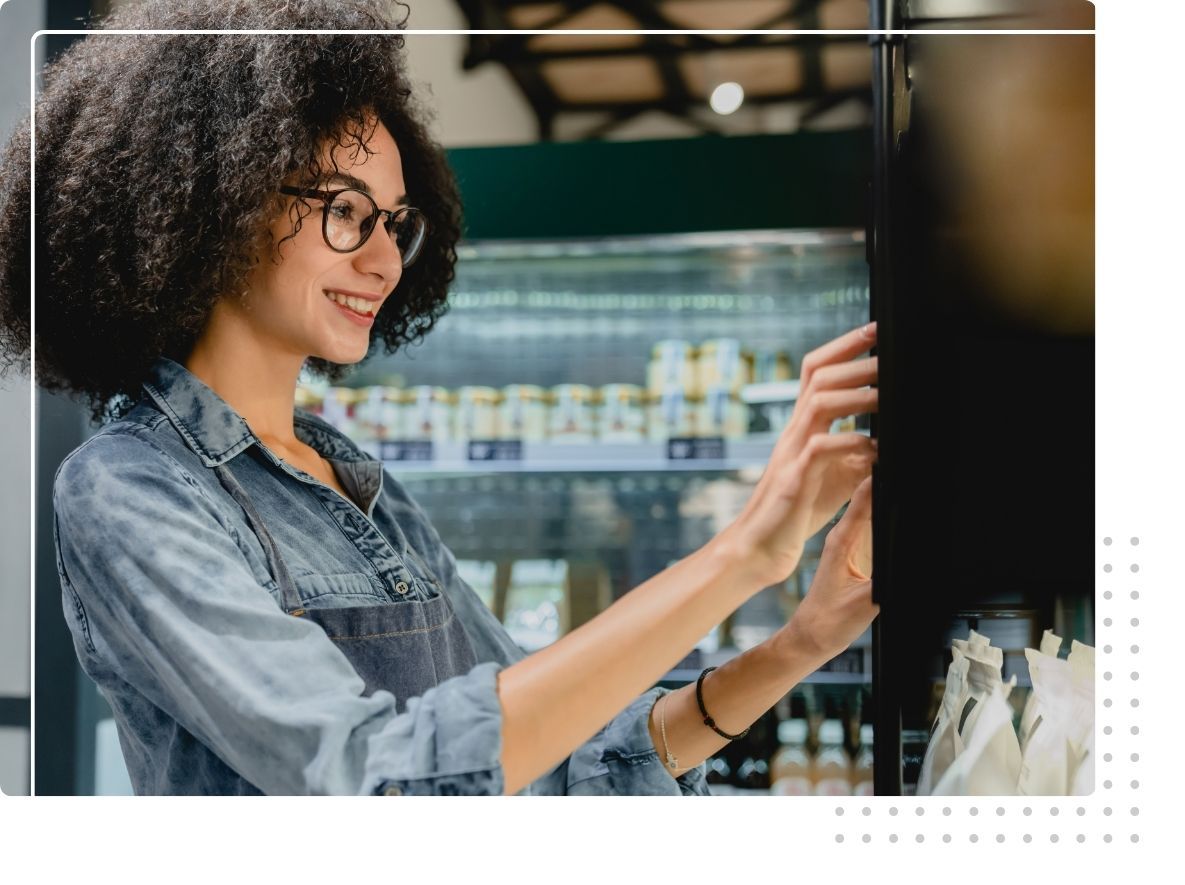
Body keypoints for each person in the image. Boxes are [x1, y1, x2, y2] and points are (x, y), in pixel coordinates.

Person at [0, 0, 880, 796]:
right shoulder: (128, 489)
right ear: (212, 202)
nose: (383, 262)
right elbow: (379, 784)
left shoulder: (361, 488)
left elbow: (556, 760)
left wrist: (798, 642)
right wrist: (740, 557)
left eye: (395, 222)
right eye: (345, 211)